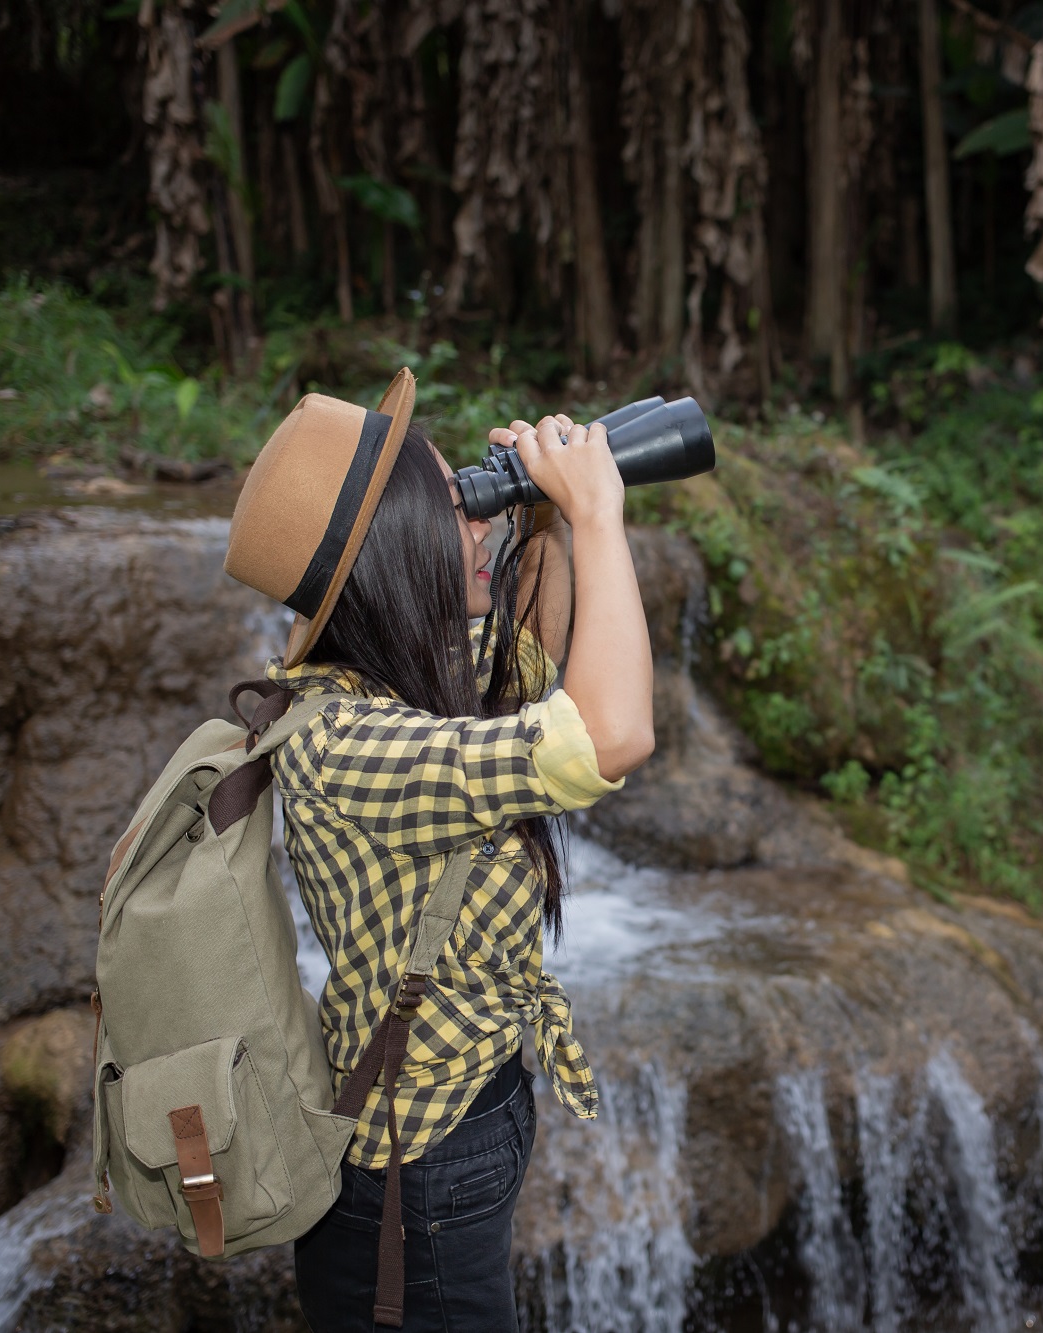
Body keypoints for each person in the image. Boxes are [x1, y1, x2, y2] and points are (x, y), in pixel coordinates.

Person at [221, 369, 654, 1332]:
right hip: (413, 1181)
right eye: (454, 507)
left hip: (463, 1113)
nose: (475, 519)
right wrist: (599, 520)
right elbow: (605, 735)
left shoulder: (389, 677)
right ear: (393, 555)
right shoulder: (347, 743)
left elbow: (532, 683)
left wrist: (539, 523)